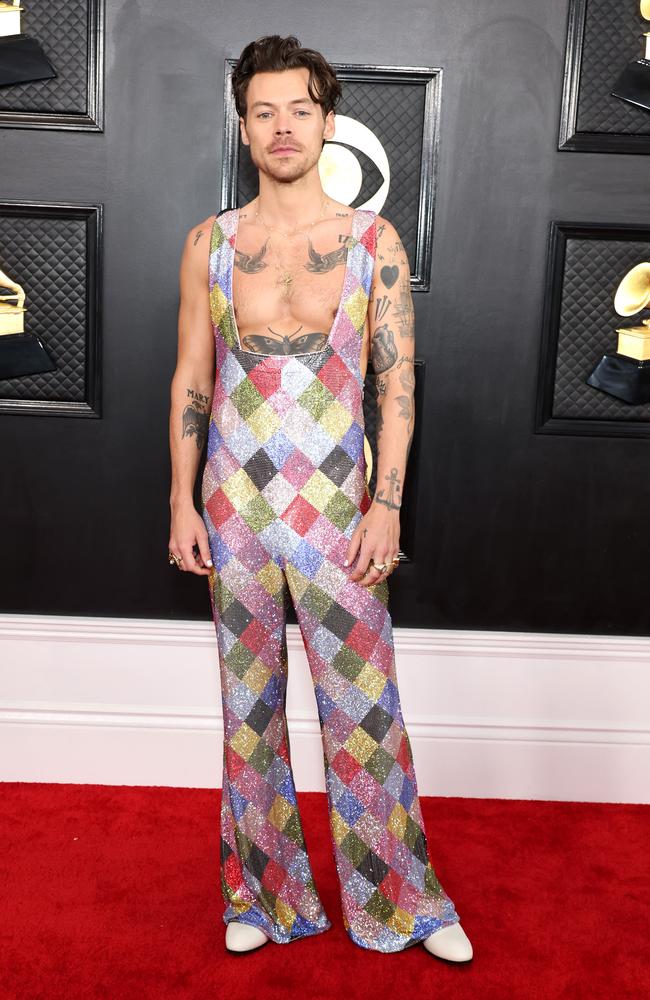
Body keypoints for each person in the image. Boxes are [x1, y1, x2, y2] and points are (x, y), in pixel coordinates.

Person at [168, 34, 472, 961]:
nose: (282, 127)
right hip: (233, 506)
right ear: (245, 126)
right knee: (246, 710)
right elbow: (190, 375)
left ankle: (404, 902)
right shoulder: (210, 244)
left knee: (365, 709)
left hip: (341, 508)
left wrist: (388, 503)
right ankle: (261, 898)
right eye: (264, 111)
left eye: (299, 109)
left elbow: (398, 383)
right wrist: (179, 502)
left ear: (327, 121)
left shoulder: (372, 243)